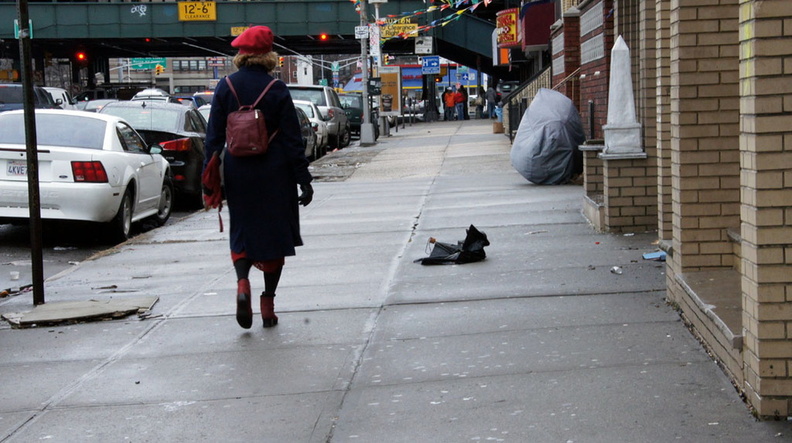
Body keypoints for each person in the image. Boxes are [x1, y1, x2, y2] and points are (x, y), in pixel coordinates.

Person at [203, 25, 314, 329]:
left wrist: (208, 177)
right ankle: (268, 304)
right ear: (269, 56)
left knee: (242, 230)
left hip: (238, 171)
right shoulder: (277, 89)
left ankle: (242, 284)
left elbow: (212, 138)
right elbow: (293, 140)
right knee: (275, 237)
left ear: (240, 54)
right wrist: (303, 179)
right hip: (275, 172)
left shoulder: (225, 87)